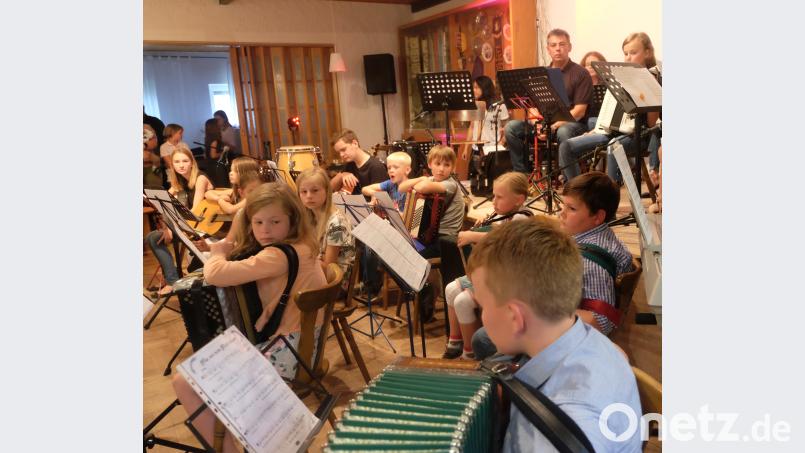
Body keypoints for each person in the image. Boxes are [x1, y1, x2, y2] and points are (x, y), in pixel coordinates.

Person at [172, 183, 326, 453]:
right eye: (258, 222)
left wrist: (220, 249)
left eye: (275, 221)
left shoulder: (277, 255)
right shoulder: (302, 245)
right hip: (305, 346)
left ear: (293, 219)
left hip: (289, 354)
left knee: (184, 381)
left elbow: (215, 274)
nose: (265, 230)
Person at [466, 217, 642, 452]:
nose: (483, 315)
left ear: (514, 317)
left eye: (483, 305)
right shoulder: (591, 340)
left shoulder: (544, 440)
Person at [472, 171, 635, 359]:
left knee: (482, 338)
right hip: (566, 324)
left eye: (572, 209)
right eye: (563, 206)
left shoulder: (589, 262)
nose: (561, 213)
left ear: (598, 216)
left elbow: (602, 321)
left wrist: (541, 312)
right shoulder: (606, 237)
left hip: (565, 343)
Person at [442, 172, 530, 360]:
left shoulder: (522, 218)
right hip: (494, 274)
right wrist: (486, 224)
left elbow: (505, 238)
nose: (494, 202)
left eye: (499, 197)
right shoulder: (503, 215)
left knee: (462, 301)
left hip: (509, 282)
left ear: (519, 200)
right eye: (494, 196)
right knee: (450, 289)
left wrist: (473, 236)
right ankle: (454, 341)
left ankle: (469, 353)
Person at [557, 32, 659, 184]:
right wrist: (596, 129)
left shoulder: (654, 78)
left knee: (613, 146)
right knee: (567, 146)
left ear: (647, 52)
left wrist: (649, 92)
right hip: (611, 132)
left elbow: (651, 124)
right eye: (625, 53)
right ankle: (578, 193)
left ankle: (611, 196)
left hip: (638, 135)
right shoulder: (618, 76)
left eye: (633, 52)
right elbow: (609, 112)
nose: (628, 57)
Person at [505, 29, 593, 174]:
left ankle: (571, 182)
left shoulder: (581, 73)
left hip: (572, 124)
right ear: (548, 49)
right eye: (553, 45)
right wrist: (538, 123)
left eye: (562, 44)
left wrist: (553, 126)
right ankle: (522, 177)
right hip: (544, 123)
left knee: (564, 131)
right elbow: (531, 106)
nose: (558, 48)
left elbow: (579, 111)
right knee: (511, 128)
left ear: (569, 47)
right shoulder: (540, 73)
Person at [144, 148, 214, 295]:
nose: (181, 165)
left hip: (205, 227)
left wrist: (172, 228)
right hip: (189, 225)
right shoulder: (179, 180)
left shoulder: (200, 178)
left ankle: (172, 282)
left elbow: (194, 211)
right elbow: (165, 202)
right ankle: (173, 281)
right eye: (177, 162)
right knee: (152, 237)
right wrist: (166, 227)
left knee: (154, 238)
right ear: (172, 165)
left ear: (192, 163)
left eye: (185, 161)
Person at [398, 145, 465, 259]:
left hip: (446, 238)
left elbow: (423, 188)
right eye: (437, 164)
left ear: (453, 168)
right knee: (401, 250)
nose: (441, 169)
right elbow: (401, 187)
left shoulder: (450, 184)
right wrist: (421, 179)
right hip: (431, 235)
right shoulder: (431, 180)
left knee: (411, 259)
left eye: (447, 165)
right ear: (429, 164)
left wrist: (422, 181)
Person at [296, 167, 356, 294]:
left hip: (335, 283)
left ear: (327, 191)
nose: (309, 196)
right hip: (316, 271)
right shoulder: (308, 217)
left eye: (315, 190)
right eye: (303, 192)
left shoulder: (337, 223)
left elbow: (329, 266)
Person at [329, 129, 387, 197]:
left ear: (355, 143)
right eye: (339, 152)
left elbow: (381, 198)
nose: (341, 155)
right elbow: (329, 189)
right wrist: (341, 175)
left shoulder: (376, 166)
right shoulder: (349, 164)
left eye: (343, 149)